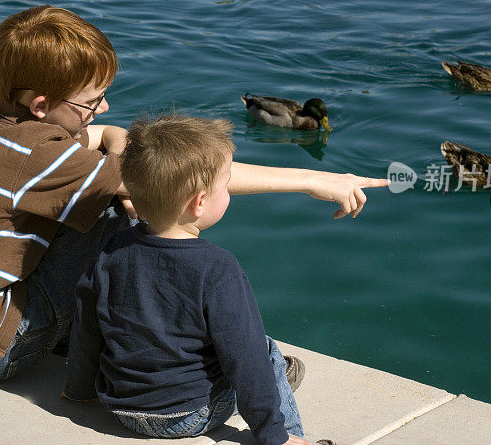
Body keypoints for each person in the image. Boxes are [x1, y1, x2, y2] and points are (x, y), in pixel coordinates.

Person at [0, 4, 388, 386]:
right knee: (132, 216)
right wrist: (313, 179)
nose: (104, 106)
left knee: (114, 195)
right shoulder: (41, 157)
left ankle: (87, 335)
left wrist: (112, 140)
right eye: (90, 101)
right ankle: (180, 360)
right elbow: (179, 174)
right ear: (41, 106)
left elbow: (104, 134)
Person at [63, 114, 337, 445]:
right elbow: (244, 357)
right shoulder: (218, 267)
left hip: (122, 408)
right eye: (226, 183)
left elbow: (87, 327)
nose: (229, 191)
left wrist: (78, 390)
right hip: (188, 416)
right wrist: (271, 432)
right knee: (265, 352)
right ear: (200, 202)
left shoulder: (111, 250)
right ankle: (287, 438)